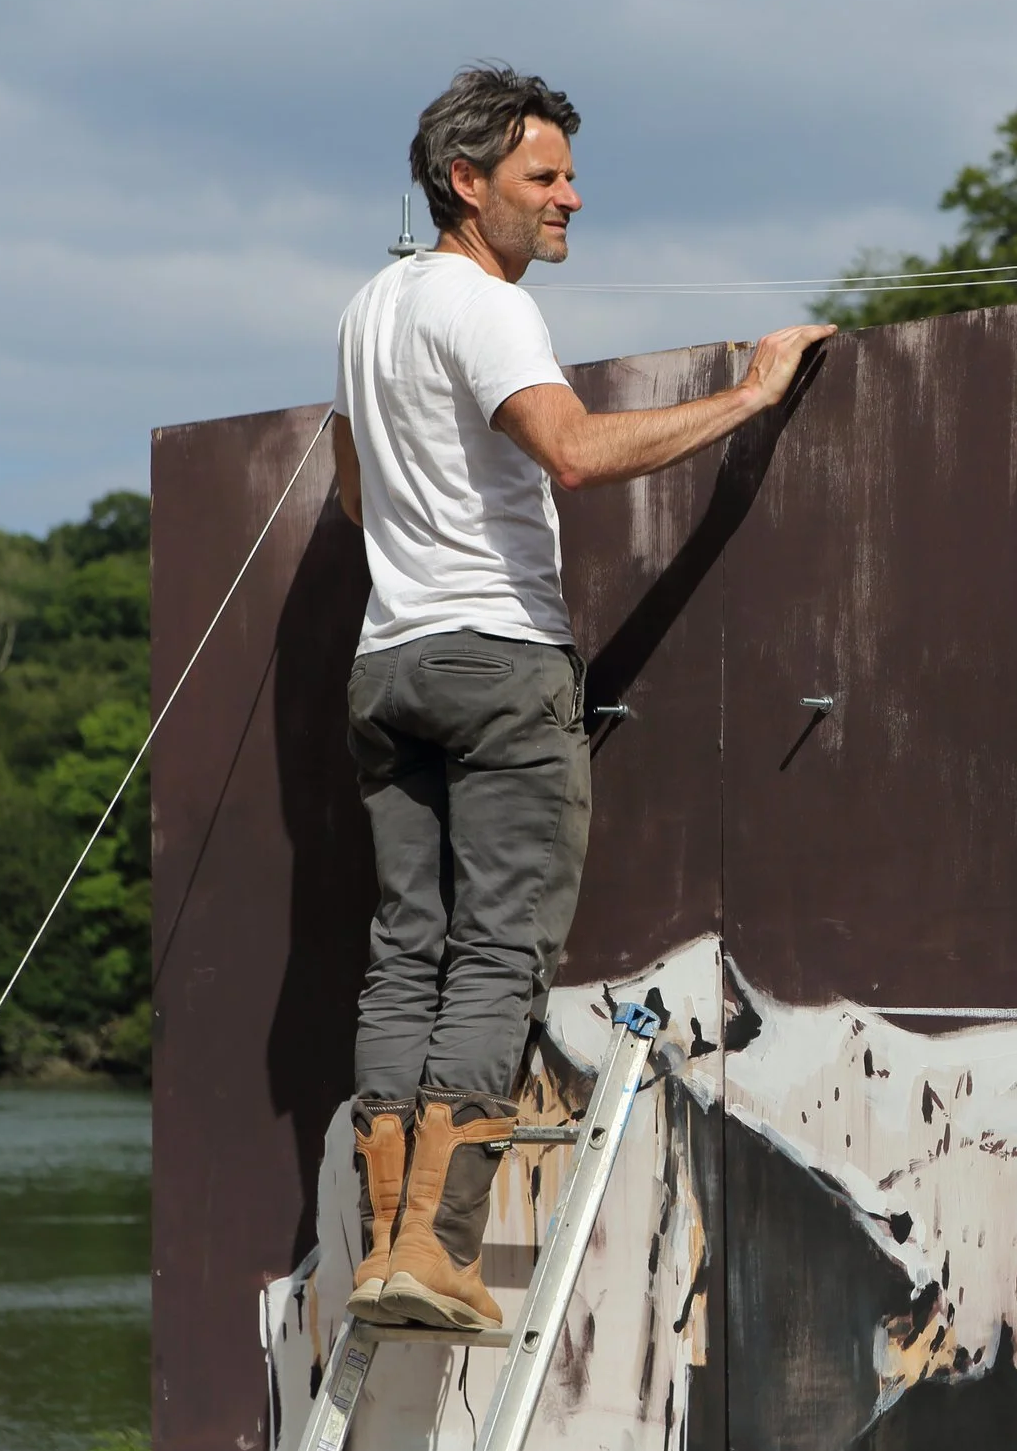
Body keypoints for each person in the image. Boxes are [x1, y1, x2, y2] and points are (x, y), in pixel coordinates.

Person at [328, 65, 833, 1329]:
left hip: (386, 663)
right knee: (498, 948)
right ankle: (435, 1249)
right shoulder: (484, 307)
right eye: (543, 179)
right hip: (496, 658)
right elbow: (572, 450)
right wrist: (750, 398)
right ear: (466, 183)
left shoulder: (367, 308)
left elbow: (351, 495)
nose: (571, 200)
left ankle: (388, 1237)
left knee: (406, 952)